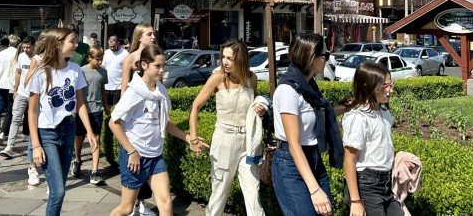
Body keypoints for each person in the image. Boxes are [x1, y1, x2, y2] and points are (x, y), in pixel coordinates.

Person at [109, 45, 206, 216]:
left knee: (166, 204)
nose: (162, 70)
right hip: (135, 157)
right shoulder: (135, 92)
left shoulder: (160, 89)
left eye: (163, 66)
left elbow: (165, 123)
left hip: (156, 156)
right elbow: (113, 123)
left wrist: (189, 138)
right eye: (158, 66)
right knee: (126, 208)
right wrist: (132, 151)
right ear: (144, 65)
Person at [188, 40, 265, 216]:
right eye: (223, 57)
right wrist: (193, 137)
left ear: (241, 58)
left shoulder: (251, 79)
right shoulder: (217, 78)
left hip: (249, 142)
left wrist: (259, 109)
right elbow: (195, 106)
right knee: (219, 193)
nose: (225, 61)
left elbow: (253, 107)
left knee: (253, 193)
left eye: (229, 58)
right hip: (224, 139)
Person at [27, 27, 98, 216]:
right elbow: (32, 112)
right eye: (72, 41)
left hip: (69, 130)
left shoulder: (75, 69)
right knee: (58, 191)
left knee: (58, 190)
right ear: (58, 44)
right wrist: (35, 145)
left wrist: (90, 132)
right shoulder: (41, 72)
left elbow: (81, 104)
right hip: (47, 133)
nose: (76, 45)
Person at [273, 34, 344, 216]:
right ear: (312, 57)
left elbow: (314, 115)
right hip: (291, 162)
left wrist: (347, 107)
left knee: (325, 213)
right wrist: (314, 190)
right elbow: (294, 144)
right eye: (325, 55)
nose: (327, 59)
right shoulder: (288, 90)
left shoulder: (309, 86)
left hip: (313, 158)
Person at [342, 62, 401, 216]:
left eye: (391, 84)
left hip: (385, 183)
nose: (391, 90)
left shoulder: (382, 112)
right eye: (386, 86)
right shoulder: (358, 118)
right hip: (367, 184)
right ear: (370, 86)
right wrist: (355, 201)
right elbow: (349, 160)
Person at [119, 24, 158, 216]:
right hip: (134, 115)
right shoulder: (130, 59)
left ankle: (141, 202)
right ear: (139, 37)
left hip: (150, 115)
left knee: (150, 163)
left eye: (153, 34)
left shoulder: (154, 55)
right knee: (135, 163)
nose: (152, 37)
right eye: (148, 34)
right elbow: (124, 87)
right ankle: (132, 204)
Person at [0, 36, 41, 186]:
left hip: (35, 94)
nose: (25, 50)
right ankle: (10, 145)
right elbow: (18, 73)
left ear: (34, 46)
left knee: (33, 122)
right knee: (15, 118)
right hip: (22, 93)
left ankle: (34, 147)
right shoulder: (21, 57)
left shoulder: (38, 58)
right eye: (23, 47)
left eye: (28, 47)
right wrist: (15, 89)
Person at [71, 45, 110, 184]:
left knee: (96, 139)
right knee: (79, 137)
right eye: (97, 59)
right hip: (82, 110)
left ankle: (94, 171)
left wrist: (106, 106)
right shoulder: (81, 71)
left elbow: (102, 89)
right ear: (89, 58)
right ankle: (77, 160)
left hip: (97, 109)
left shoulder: (103, 72)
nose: (100, 62)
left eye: (101, 59)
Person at [0, 35, 21, 145]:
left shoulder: (0, 54)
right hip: (12, 84)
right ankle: (3, 133)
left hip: (0, 82)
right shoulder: (18, 54)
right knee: (10, 110)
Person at [102, 35, 128, 106]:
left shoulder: (125, 53)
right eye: (110, 46)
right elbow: (103, 66)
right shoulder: (106, 52)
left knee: (116, 109)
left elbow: (127, 71)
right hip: (106, 86)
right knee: (106, 108)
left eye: (114, 46)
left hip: (118, 87)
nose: (112, 48)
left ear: (118, 43)